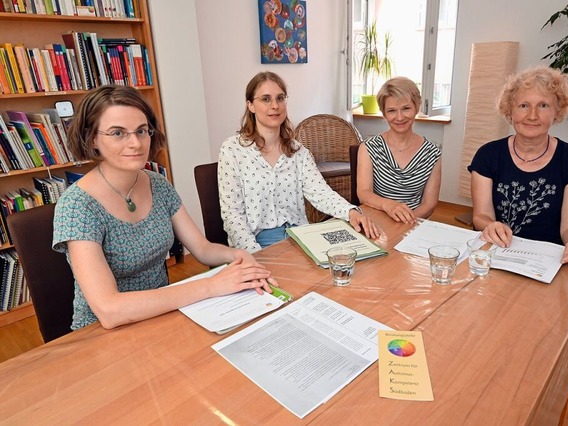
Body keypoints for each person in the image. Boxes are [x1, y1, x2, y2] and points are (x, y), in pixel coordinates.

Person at [53, 85, 276, 331]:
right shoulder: (77, 206)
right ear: (92, 138)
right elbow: (110, 310)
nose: (135, 143)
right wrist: (211, 285)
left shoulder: (157, 183)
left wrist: (238, 255)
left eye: (141, 130)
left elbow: (202, 248)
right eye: (118, 133)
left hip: (162, 315)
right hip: (103, 333)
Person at [218, 71, 379, 252]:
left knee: (347, 262)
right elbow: (233, 216)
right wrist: (254, 256)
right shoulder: (232, 150)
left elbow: (321, 193)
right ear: (251, 105)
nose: (275, 106)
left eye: (280, 98)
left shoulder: (298, 152)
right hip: (256, 242)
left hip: (300, 237)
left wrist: (350, 212)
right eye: (265, 99)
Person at [467, 65, 568, 269]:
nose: (532, 115)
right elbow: (481, 215)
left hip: (549, 263)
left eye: (543, 105)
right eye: (524, 106)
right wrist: (490, 226)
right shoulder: (487, 155)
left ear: (557, 111)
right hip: (497, 256)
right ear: (510, 110)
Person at [356, 77, 442, 224]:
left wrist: (406, 222)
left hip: (414, 222)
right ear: (384, 113)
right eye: (391, 111)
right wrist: (389, 206)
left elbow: (429, 204)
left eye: (406, 108)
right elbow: (364, 193)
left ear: (417, 107)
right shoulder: (368, 148)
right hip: (377, 220)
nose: (400, 117)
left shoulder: (432, 153)